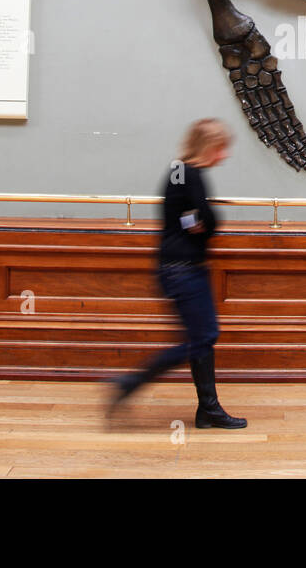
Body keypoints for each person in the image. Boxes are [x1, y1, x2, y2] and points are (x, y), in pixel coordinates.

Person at [109, 118, 246, 429]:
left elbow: (194, 218)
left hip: (177, 268)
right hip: (183, 270)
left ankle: (208, 410)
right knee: (203, 338)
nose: (224, 156)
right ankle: (130, 384)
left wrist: (200, 221)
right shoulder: (191, 175)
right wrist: (204, 221)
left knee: (202, 339)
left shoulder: (178, 170)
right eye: (221, 148)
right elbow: (207, 220)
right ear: (209, 146)